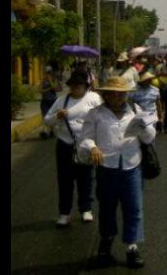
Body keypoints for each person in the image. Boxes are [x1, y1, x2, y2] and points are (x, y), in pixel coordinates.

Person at [80, 77, 156, 269]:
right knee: (107, 208)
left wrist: (145, 127)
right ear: (105, 94)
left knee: (134, 208)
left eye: (121, 93)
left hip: (132, 166)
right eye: (112, 92)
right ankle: (106, 245)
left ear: (125, 94)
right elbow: (84, 138)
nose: (116, 96)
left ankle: (132, 247)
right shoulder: (95, 114)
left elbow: (148, 139)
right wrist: (92, 147)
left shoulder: (136, 111)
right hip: (107, 168)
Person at [43, 71, 103, 227]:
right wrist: (57, 116)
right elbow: (47, 121)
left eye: (79, 85)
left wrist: (98, 144)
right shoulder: (61, 101)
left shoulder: (94, 99)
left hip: (86, 144)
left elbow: (101, 119)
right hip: (65, 144)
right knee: (65, 180)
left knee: (86, 178)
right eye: (73, 85)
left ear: (85, 86)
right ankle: (64, 213)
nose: (76, 88)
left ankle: (86, 209)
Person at [39, 65, 61, 139]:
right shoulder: (43, 80)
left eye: (49, 72)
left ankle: (51, 131)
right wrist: (49, 88)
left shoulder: (54, 79)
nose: (47, 74)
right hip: (45, 100)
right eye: (46, 72)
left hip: (53, 100)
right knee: (45, 116)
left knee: (52, 116)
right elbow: (40, 90)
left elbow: (58, 89)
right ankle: (45, 132)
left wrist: (52, 83)